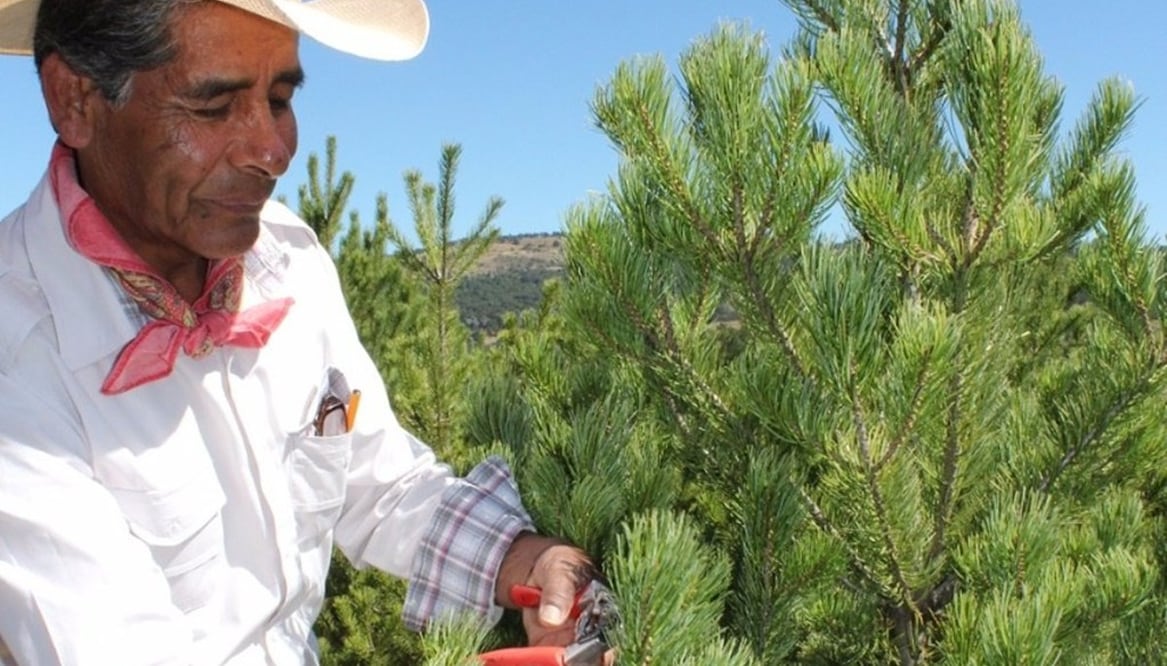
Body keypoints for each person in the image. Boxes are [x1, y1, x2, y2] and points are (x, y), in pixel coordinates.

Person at [0, 0, 603, 663]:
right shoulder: (14, 353)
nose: (273, 150)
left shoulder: (286, 258)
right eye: (214, 106)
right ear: (76, 99)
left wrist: (520, 559)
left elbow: (377, 482)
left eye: (280, 98)